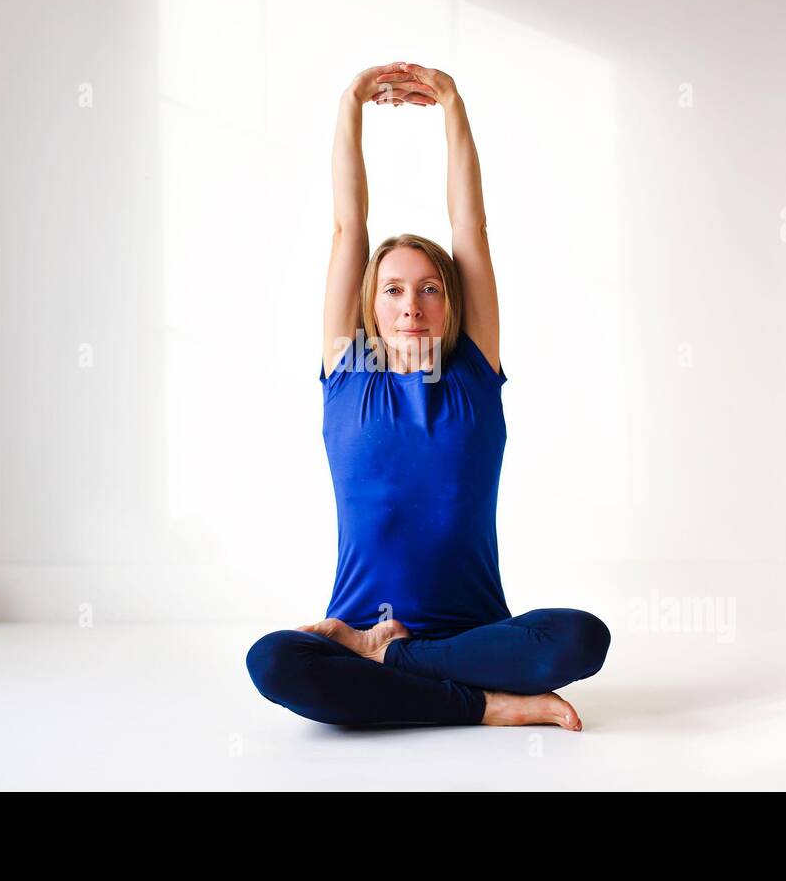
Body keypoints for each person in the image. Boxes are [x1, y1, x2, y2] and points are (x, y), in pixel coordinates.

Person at [246, 62, 610, 729]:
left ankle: (395, 670)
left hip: (473, 634)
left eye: (429, 287)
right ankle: (483, 706)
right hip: (355, 628)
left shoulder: (473, 369)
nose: (411, 303)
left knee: (584, 638)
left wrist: (453, 106)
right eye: (392, 288)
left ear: (449, 301)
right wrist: (350, 103)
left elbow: (470, 229)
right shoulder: (348, 370)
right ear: (371, 302)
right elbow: (346, 227)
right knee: (272, 661)